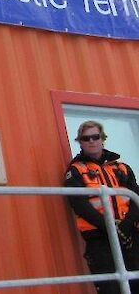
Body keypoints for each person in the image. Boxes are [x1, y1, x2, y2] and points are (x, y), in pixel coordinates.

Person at [65, 120, 139, 294]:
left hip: (131, 237)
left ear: (102, 139)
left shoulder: (122, 168)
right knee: (110, 288)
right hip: (99, 239)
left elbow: (136, 197)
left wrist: (127, 224)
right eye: (86, 138)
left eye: (95, 137)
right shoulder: (75, 171)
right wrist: (110, 226)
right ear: (80, 142)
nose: (91, 141)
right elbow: (79, 204)